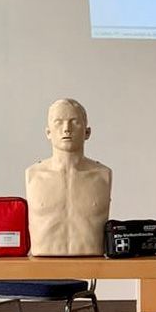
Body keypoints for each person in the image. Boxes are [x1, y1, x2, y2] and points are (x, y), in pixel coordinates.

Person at [26, 99, 111, 256]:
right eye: (58, 122)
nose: (66, 129)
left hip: (92, 261)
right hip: (42, 261)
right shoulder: (33, 175)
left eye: (75, 122)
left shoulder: (102, 175)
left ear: (87, 132)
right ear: (48, 132)